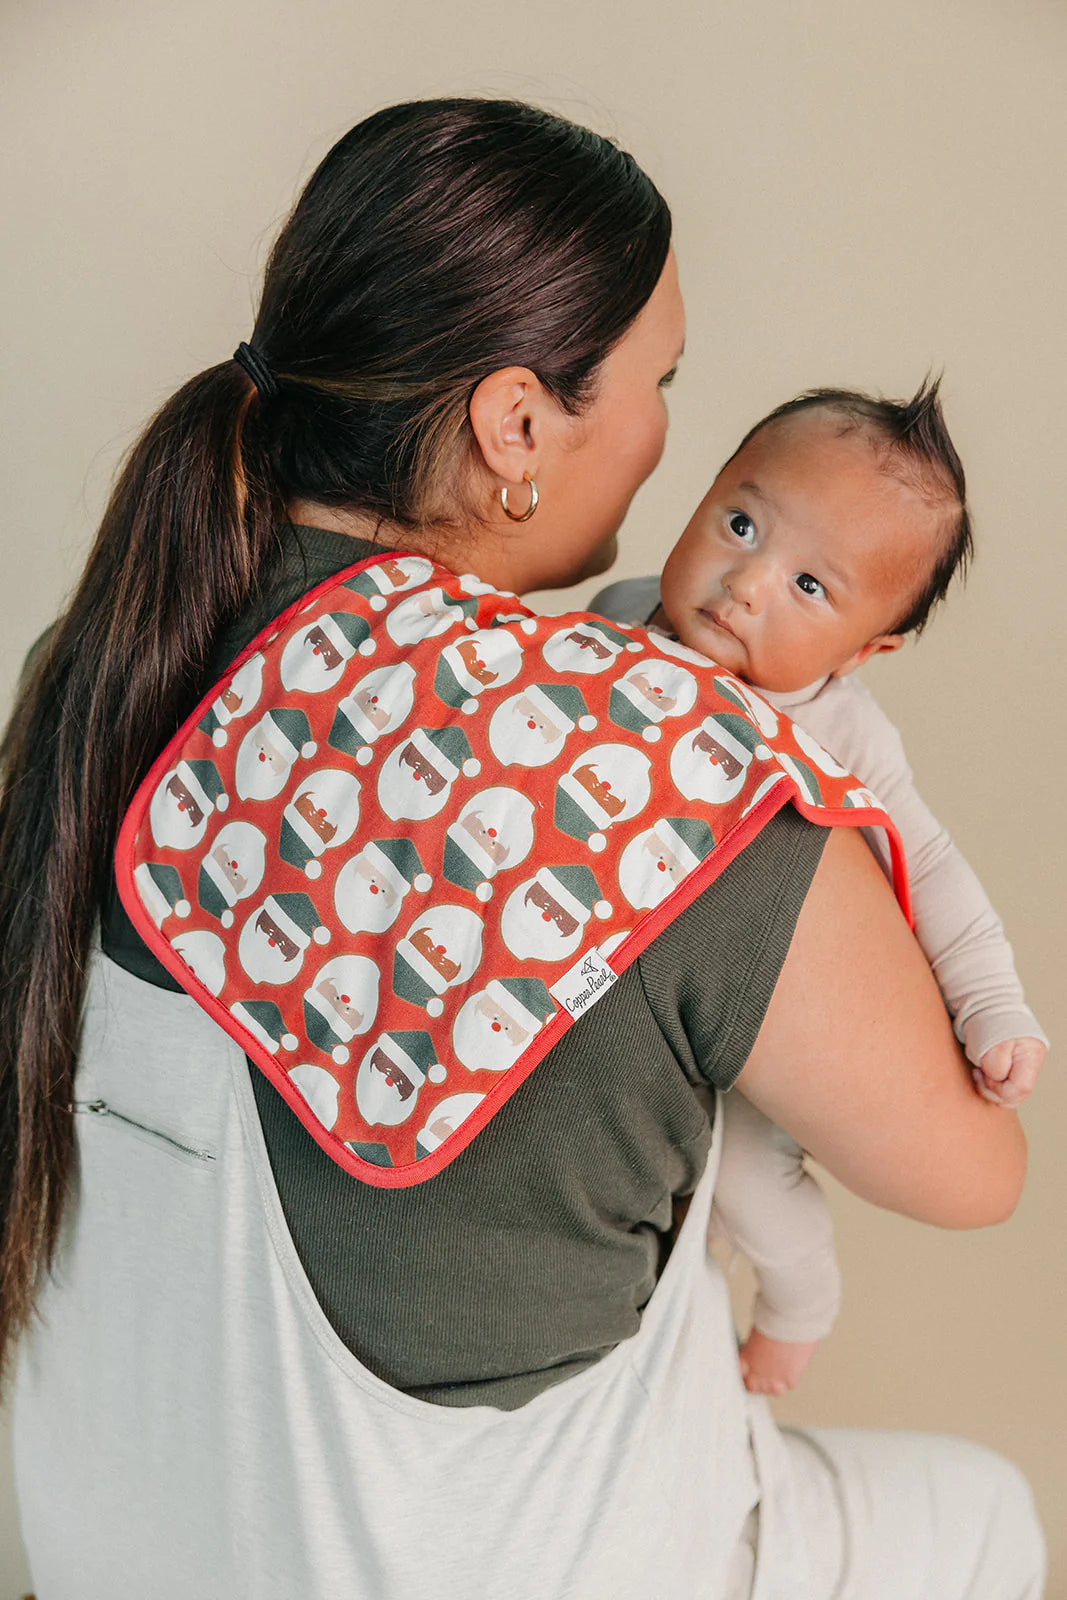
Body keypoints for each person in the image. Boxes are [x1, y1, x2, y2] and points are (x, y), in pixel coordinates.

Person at [0, 98, 1044, 1599]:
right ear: (513, 426)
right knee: (982, 1514)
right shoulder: (665, 773)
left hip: (119, 1534)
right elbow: (972, 1172)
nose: (671, 435)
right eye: (659, 379)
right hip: (478, 1555)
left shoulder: (96, 663)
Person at [593, 378, 1049, 1398]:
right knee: (669, 1181)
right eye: (741, 521)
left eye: (809, 587)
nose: (745, 582)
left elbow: (930, 869)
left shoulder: (842, 732)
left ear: (864, 649)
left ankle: (797, 1315)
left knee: (752, 1178)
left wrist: (989, 1008)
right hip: (656, 997)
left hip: (788, 1016)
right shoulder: (622, 613)